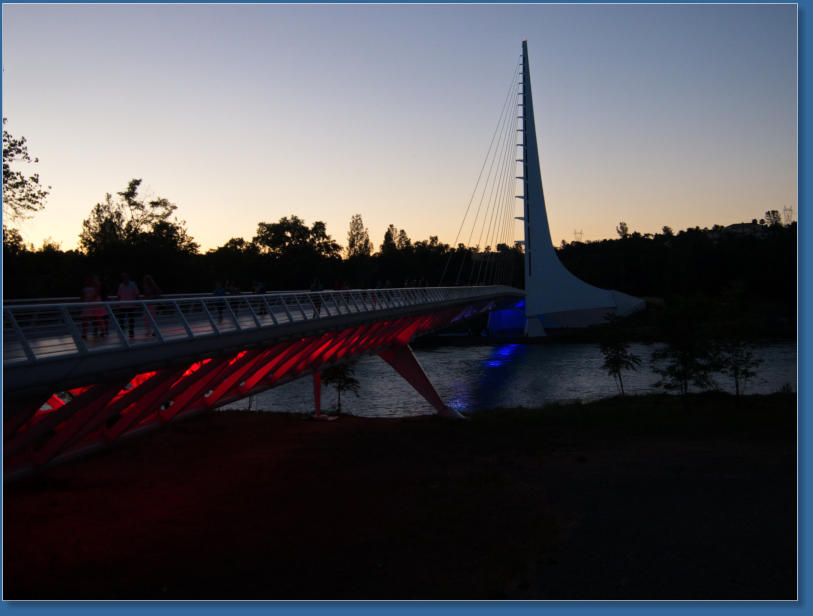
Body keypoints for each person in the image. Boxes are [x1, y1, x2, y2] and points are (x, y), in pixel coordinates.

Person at [80, 275, 105, 339]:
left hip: (93, 303)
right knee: (86, 318)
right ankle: (84, 333)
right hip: (87, 304)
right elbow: (82, 295)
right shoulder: (85, 286)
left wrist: (89, 301)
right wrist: (83, 301)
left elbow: (96, 295)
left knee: (97, 317)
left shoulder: (96, 286)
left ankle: (103, 330)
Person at [116, 272, 140, 338]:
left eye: (125, 277)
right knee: (121, 319)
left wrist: (137, 302)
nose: (124, 278)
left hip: (130, 305)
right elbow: (119, 295)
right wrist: (117, 304)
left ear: (128, 277)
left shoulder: (132, 284)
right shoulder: (121, 285)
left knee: (131, 319)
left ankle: (131, 332)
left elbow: (136, 293)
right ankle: (121, 331)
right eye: (123, 277)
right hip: (122, 305)